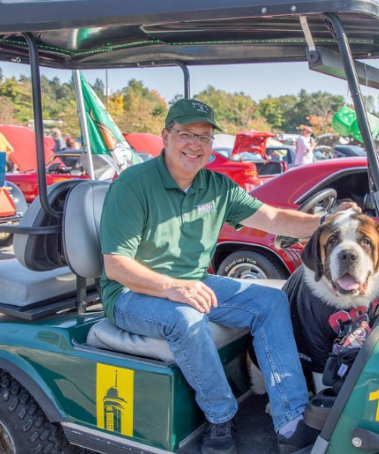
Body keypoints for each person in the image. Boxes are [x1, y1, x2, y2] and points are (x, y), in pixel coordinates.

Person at [100, 99, 357, 454]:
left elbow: (271, 218)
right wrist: (174, 287)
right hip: (131, 293)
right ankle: (221, 417)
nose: (195, 145)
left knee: (270, 299)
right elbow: (116, 265)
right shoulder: (133, 185)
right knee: (184, 317)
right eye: (186, 134)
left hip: (191, 281)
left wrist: (328, 224)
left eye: (204, 137)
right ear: (166, 136)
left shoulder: (215, 186)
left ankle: (291, 419)